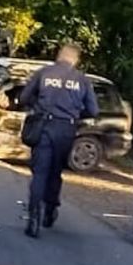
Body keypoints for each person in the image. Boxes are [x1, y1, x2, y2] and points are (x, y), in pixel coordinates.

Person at [19, 43, 98, 238]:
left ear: (59, 56)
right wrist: (76, 114)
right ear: (76, 60)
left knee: (40, 172)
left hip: (44, 125)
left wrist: (37, 106)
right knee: (55, 171)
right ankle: (50, 208)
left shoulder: (44, 73)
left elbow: (24, 98)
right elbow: (93, 110)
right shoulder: (82, 80)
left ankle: (33, 216)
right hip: (66, 129)